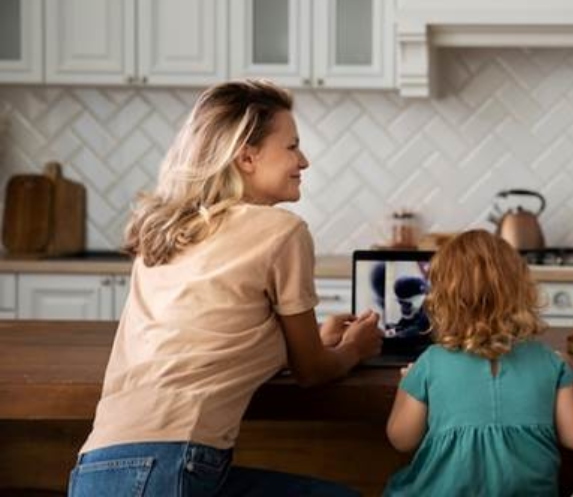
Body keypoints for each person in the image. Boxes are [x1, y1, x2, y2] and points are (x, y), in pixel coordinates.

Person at [68, 79, 383, 497]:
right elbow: (313, 372)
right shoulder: (281, 231)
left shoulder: (168, 232)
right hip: (171, 466)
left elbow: (205, 343)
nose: (303, 160)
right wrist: (355, 349)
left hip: (97, 466)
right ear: (247, 156)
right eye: (291, 146)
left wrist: (312, 342)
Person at [383, 229, 573, 497]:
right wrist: (563, 370)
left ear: (442, 300)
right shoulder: (547, 361)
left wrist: (407, 385)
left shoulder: (430, 363)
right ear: (520, 292)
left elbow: (401, 439)